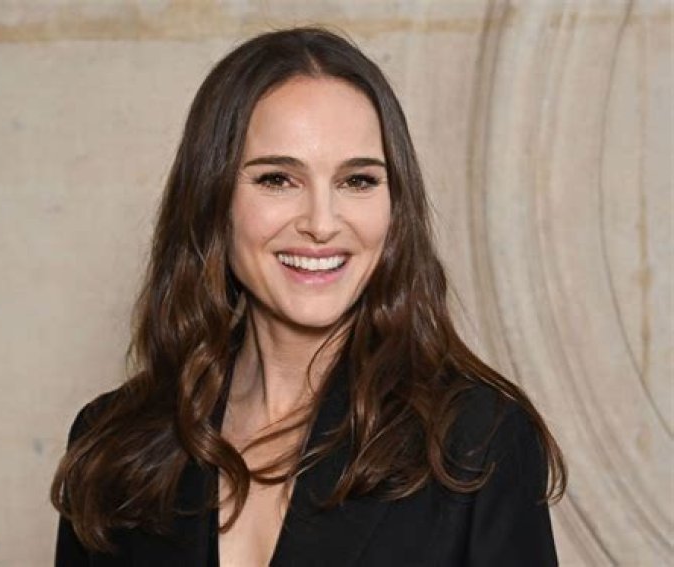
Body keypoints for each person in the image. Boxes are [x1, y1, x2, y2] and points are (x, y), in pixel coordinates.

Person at [51, 27, 566, 566]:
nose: (321, 223)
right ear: (212, 199)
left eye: (357, 181)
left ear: (396, 205)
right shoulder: (112, 446)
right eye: (277, 179)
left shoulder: (477, 440)